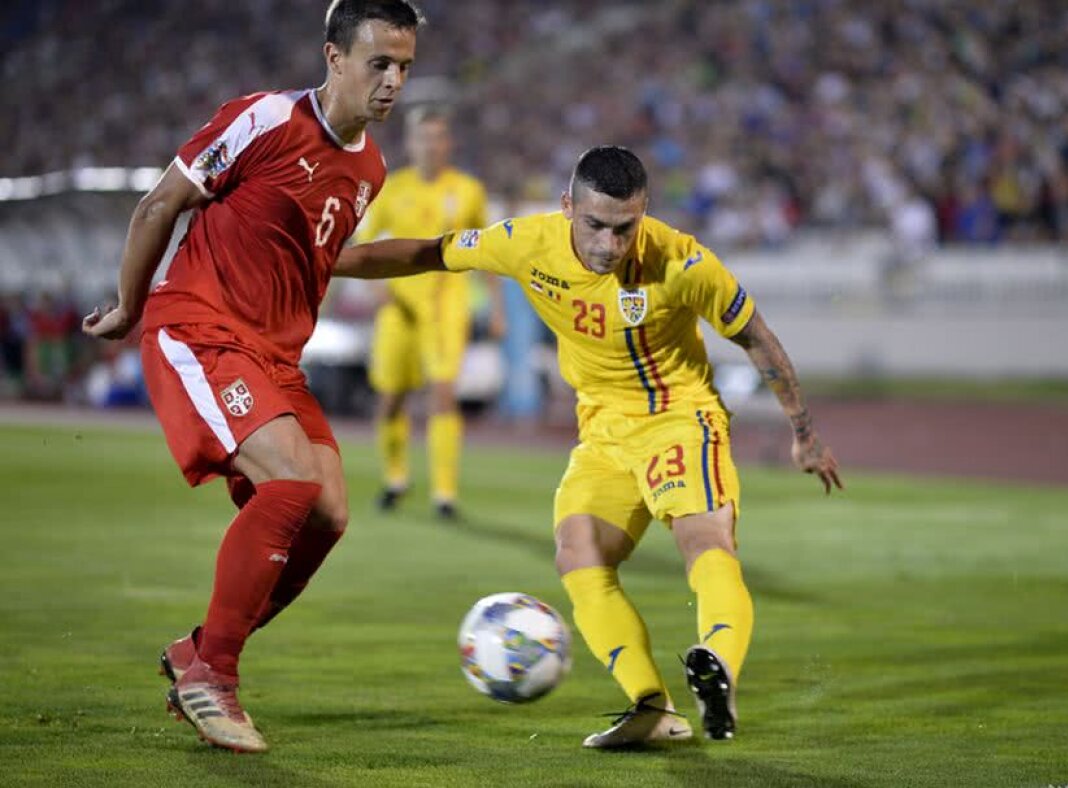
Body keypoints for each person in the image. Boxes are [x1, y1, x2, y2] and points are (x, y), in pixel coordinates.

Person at [335, 146, 843, 747]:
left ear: (644, 213)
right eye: (594, 225)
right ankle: (653, 706)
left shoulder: (682, 262)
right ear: (567, 206)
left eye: (624, 228)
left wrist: (803, 433)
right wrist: (325, 262)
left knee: (703, 538)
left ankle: (719, 667)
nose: (608, 243)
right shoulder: (527, 243)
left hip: (680, 418)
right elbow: (430, 251)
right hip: (602, 431)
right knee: (578, 552)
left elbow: (756, 338)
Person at [81, 0, 423, 753]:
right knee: (292, 484)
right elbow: (158, 206)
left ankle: (197, 651)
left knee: (329, 514)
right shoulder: (265, 118)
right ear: (334, 58)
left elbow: (329, 257)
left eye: (404, 66)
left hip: (273, 355)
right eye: (380, 63)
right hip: (200, 328)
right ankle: (214, 679)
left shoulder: (371, 166)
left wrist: (437, 251)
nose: (394, 80)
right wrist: (130, 308)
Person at [356, 106, 497, 519]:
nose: (430, 145)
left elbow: (486, 249)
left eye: (438, 137)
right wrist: (377, 289)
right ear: (410, 143)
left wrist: (497, 307)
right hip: (398, 306)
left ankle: (444, 493)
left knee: (443, 394)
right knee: (390, 398)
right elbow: (366, 244)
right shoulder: (393, 188)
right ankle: (396, 477)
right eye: (423, 137)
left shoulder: (468, 190)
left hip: (445, 303)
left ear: (448, 144)